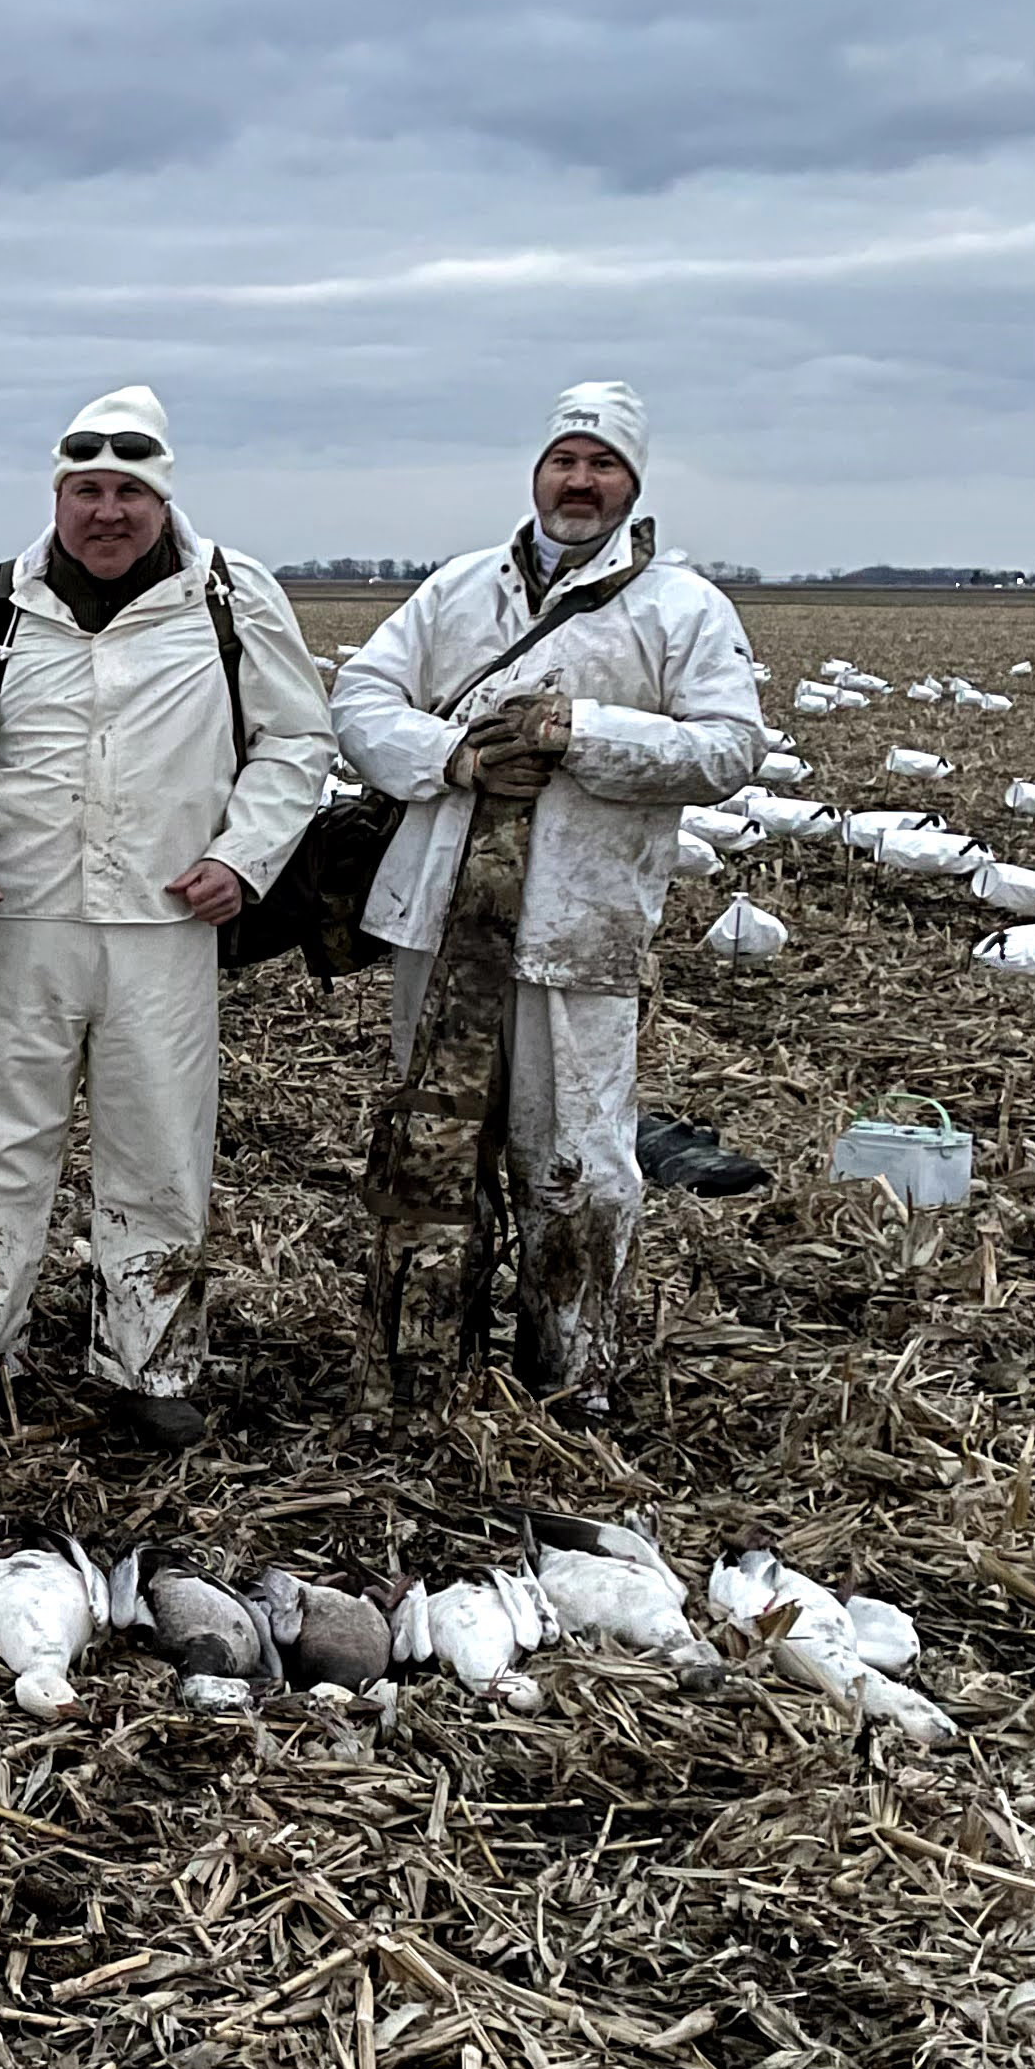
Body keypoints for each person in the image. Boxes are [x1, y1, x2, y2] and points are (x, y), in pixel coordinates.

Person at [0, 388, 336, 1449]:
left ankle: (150, 1368)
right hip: (22, 922)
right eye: (87, 490)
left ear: (161, 497)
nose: (107, 512)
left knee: (162, 1154)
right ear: (58, 495)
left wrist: (244, 857)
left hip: (166, 925)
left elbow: (294, 743)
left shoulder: (231, 597)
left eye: (129, 492)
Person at [326, 381, 765, 1417]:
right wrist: (453, 759)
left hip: (579, 927)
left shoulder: (684, 609)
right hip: (441, 921)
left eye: (602, 463)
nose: (580, 480)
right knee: (435, 1143)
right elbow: (359, 699)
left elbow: (729, 749)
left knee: (577, 1158)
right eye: (565, 460)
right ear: (537, 474)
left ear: (633, 482)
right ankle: (430, 1360)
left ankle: (573, 1372)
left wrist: (587, 734)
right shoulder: (462, 590)